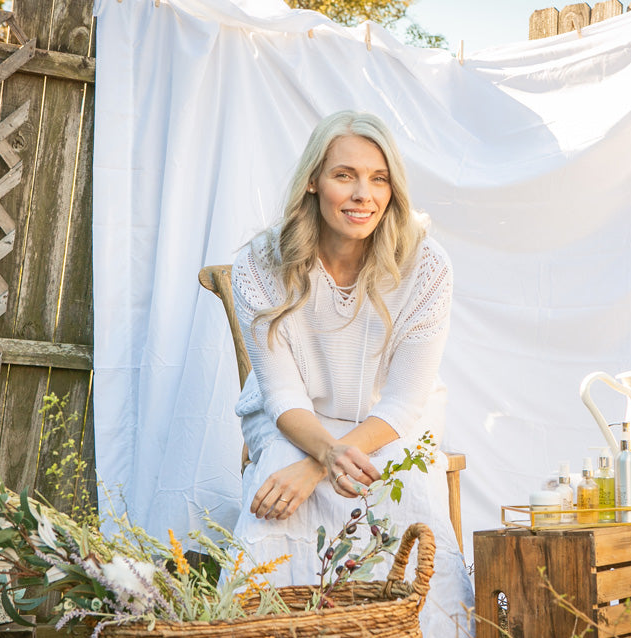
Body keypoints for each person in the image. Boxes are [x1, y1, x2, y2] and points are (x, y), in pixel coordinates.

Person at [229, 110, 473, 636]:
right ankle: (271, 626)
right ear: (313, 181)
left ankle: (410, 625)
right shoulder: (259, 263)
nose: (364, 193)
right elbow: (281, 393)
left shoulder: (425, 267)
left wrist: (323, 465)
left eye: (378, 179)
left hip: (388, 424)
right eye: (345, 175)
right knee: (279, 469)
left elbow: (405, 403)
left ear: (392, 190)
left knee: (404, 485)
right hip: (291, 419)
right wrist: (321, 451)